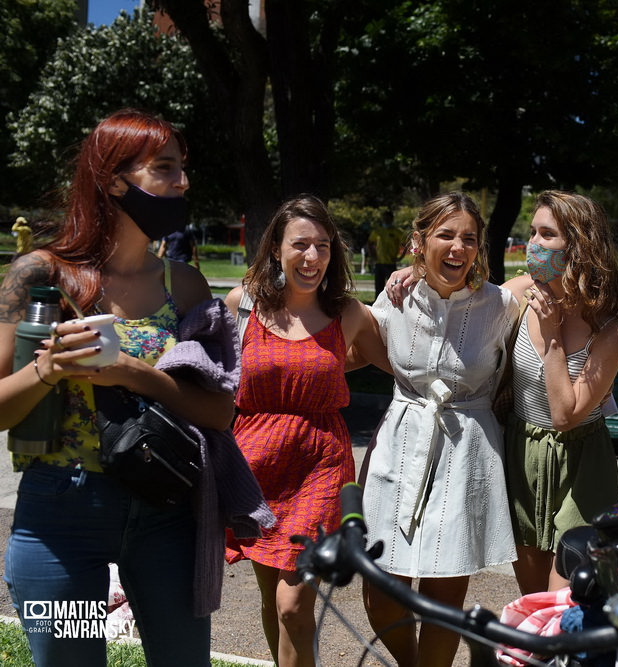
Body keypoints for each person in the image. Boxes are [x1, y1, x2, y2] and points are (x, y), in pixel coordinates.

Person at [0, 109, 235, 666]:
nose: (183, 182)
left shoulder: (186, 284)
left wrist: (135, 373)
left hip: (165, 512)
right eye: (166, 168)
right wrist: (47, 370)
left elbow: (220, 410)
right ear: (113, 180)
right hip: (62, 517)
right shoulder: (40, 274)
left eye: (183, 168)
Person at [224, 195, 388, 667]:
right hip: (254, 465)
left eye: (322, 246)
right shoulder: (243, 306)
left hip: (320, 463)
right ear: (276, 248)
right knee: (268, 598)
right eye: (300, 245)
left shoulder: (348, 314)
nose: (312, 257)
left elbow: (401, 365)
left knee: (292, 604)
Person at [362, 192, 520, 667]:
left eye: (468, 238)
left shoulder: (500, 304)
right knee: (380, 586)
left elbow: (538, 281)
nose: (458, 248)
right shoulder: (397, 296)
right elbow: (359, 342)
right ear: (420, 239)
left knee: (443, 589)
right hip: (401, 440)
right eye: (445, 235)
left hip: (467, 448)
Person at [502, 191, 618, 594]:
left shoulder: (613, 328)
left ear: (579, 246)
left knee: (568, 599)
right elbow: (455, 301)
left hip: (582, 461)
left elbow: (567, 415)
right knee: (532, 598)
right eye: (533, 232)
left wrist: (552, 341)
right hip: (522, 452)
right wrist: (408, 275)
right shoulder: (518, 294)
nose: (533, 244)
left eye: (547, 234)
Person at [367, 210, 406, 294]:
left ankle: (392, 304)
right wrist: (372, 255)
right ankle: (377, 304)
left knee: (392, 286)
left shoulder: (397, 232)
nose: (386, 220)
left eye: (388, 218)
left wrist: (400, 258)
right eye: (384, 218)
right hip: (379, 263)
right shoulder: (377, 231)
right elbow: (370, 243)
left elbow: (406, 245)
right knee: (378, 287)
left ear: (392, 219)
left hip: (391, 264)